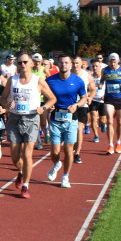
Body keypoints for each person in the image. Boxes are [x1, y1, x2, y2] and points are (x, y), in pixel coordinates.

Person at [0, 52, 55, 199]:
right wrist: (7, 104)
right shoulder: (12, 80)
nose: (22, 65)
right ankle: (21, 171)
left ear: (31, 63)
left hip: (31, 119)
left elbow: (52, 98)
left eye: (25, 62)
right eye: (20, 63)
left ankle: (26, 186)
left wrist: (43, 108)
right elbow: (3, 98)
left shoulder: (38, 81)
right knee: (14, 157)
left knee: (27, 154)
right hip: (14, 118)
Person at [44, 55, 89, 188]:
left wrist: (77, 105)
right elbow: (46, 96)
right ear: (58, 65)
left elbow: (84, 98)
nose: (64, 65)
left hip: (71, 118)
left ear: (70, 65)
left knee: (69, 151)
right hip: (55, 118)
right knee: (54, 152)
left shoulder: (78, 81)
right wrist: (49, 105)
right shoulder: (50, 80)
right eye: (61, 63)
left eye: (66, 62)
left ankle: (65, 176)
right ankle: (57, 164)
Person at [71, 54, 97, 164]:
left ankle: (77, 153)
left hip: (82, 105)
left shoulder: (87, 76)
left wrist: (90, 97)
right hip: (69, 106)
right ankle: (71, 146)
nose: (75, 65)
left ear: (82, 63)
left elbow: (93, 89)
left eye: (77, 63)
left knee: (79, 128)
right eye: (73, 63)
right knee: (70, 130)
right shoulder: (67, 75)